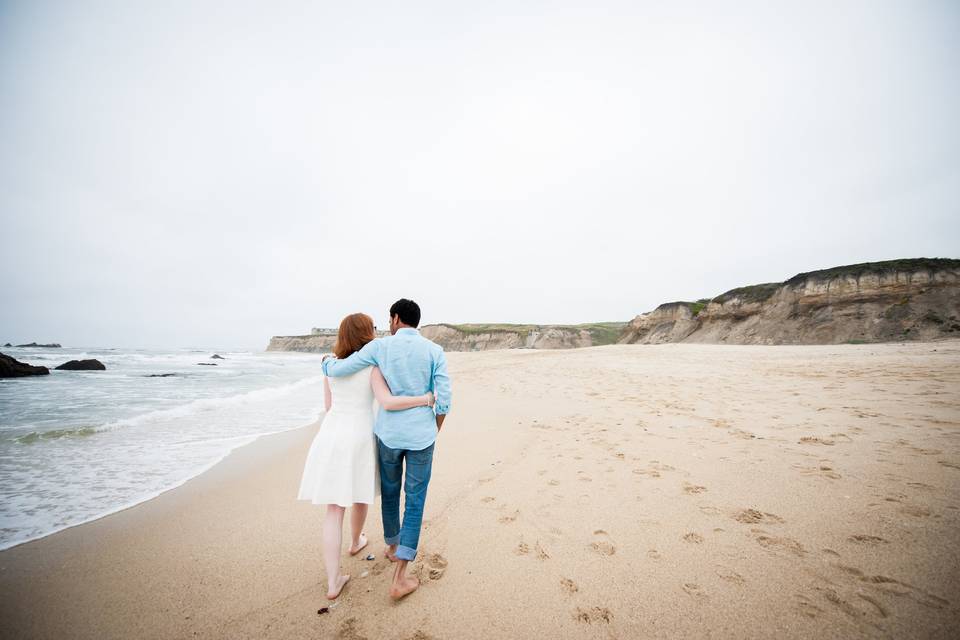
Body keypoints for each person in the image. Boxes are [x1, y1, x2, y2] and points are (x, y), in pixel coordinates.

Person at [297, 312, 434, 600]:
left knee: (334, 509)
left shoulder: (330, 366)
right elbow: (386, 401)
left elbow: (328, 405)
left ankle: (334, 582)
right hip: (358, 435)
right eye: (372, 327)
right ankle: (356, 540)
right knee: (359, 493)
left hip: (331, 434)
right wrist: (425, 399)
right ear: (365, 334)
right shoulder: (373, 366)